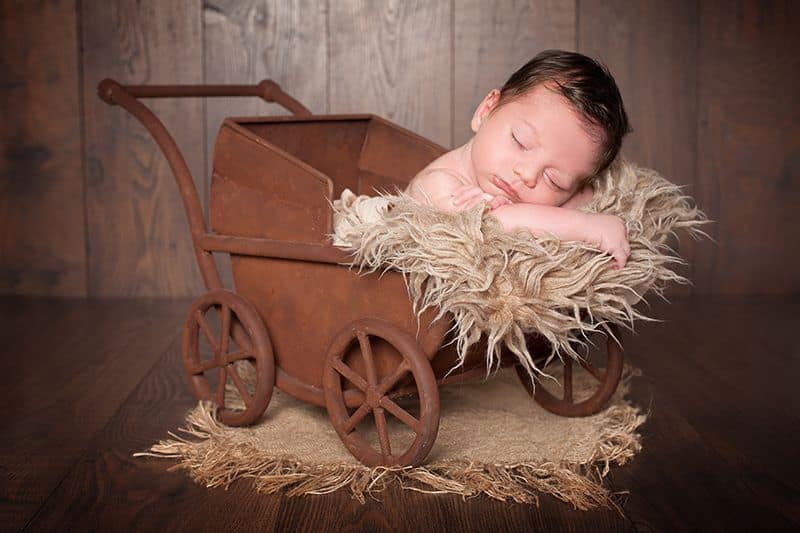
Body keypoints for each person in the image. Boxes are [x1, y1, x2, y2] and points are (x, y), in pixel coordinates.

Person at [406, 49, 633, 268]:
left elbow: (588, 198)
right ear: (486, 110)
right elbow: (491, 226)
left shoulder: (546, 195)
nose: (527, 174)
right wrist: (587, 227)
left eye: (554, 180)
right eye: (520, 142)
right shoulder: (438, 183)